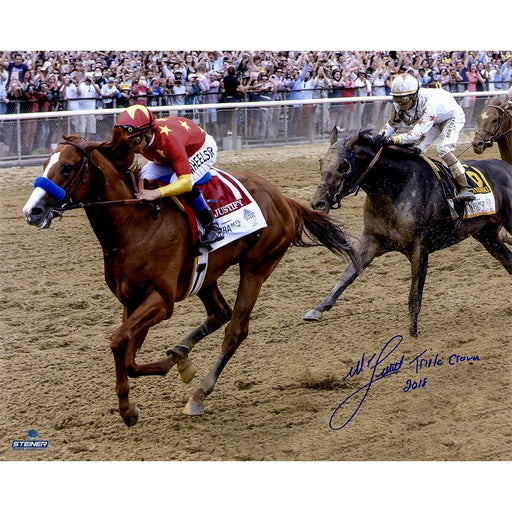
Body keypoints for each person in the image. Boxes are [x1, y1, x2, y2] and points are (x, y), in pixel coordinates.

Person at [113, 104, 223, 247]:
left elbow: (186, 183)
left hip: (200, 148)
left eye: (135, 141)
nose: (131, 147)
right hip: (170, 154)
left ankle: (211, 225)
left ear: (147, 133)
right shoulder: (144, 137)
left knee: (176, 181)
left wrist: (156, 193)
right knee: (142, 176)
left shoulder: (169, 141)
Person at [374, 73, 476, 202]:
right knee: (417, 150)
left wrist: (393, 139)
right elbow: (392, 124)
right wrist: (379, 136)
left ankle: (465, 187)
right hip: (434, 121)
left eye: (404, 100)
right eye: (396, 99)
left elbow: (417, 133)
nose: (400, 104)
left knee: (443, 149)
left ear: (414, 96)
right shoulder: (399, 104)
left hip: (451, 118)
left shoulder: (429, 103)